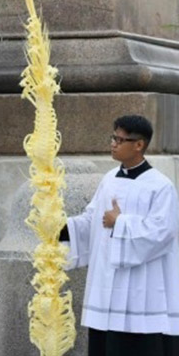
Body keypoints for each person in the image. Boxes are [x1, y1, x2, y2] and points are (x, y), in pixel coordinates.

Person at [61, 115, 179, 354]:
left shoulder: (160, 186)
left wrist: (120, 223)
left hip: (143, 287)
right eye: (113, 137)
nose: (113, 144)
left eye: (121, 139)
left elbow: (162, 232)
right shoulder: (108, 180)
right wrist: (60, 227)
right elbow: (92, 220)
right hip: (107, 286)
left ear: (139, 145)